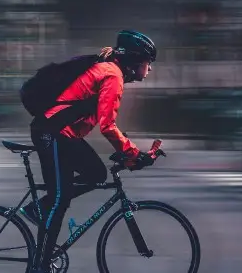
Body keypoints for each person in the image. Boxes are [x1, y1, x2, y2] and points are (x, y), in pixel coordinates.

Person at [22, 29, 158, 273]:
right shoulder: (112, 75)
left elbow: (107, 122)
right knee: (59, 199)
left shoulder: (110, 71)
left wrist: (128, 150)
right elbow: (107, 126)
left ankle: (40, 213)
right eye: (148, 64)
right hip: (51, 131)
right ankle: (41, 266)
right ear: (136, 60)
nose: (149, 70)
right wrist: (133, 153)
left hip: (61, 133)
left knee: (95, 175)